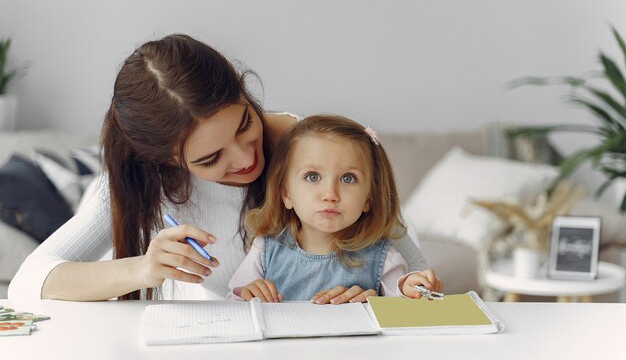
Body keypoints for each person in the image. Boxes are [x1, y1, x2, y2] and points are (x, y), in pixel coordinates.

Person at [8, 34, 428, 302]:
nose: (246, 159)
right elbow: (30, 283)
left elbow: (419, 273)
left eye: (246, 125)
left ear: (245, 93)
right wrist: (143, 269)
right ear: (166, 163)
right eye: (210, 159)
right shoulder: (142, 183)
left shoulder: (314, 153)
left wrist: (383, 297)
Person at [228, 115, 442, 304]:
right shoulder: (265, 251)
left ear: (368, 198)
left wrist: (412, 290)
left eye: (348, 178)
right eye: (312, 176)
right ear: (286, 194)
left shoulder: (385, 259)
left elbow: (407, 309)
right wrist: (247, 295)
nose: (330, 194)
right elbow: (232, 309)